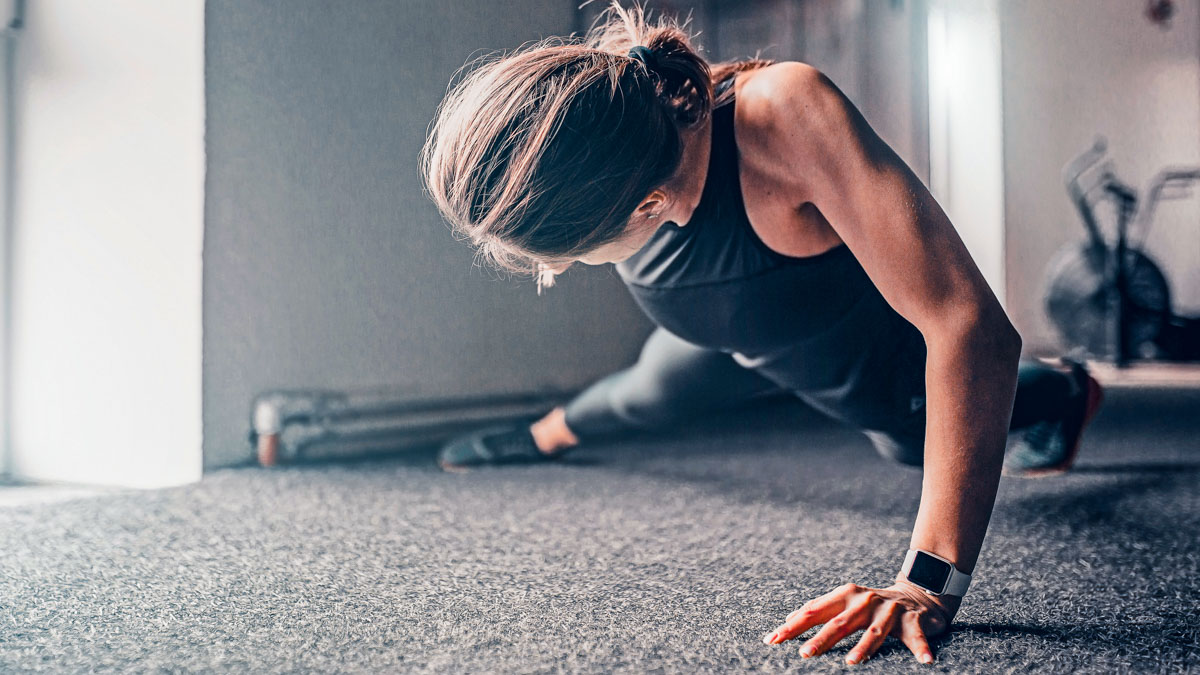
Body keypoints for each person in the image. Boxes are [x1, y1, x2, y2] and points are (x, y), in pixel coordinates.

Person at [420, 3, 1104, 666]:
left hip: (849, 353)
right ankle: (541, 435)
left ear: (649, 205)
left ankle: (1069, 388)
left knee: (908, 436)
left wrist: (927, 583)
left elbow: (967, 323)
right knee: (645, 392)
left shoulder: (784, 116)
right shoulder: (621, 133)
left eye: (561, 258)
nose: (556, 269)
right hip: (717, 333)